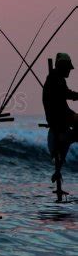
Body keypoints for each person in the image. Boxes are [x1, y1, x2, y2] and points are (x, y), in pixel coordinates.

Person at [43, 52, 78, 181]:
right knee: (68, 136)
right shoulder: (55, 79)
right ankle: (66, 138)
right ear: (62, 66)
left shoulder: (57, 78)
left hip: (62, 114)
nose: (69, 71)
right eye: (68, 68)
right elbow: (66, 94)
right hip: (58, 117)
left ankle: (58, 169)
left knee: (68, 137)